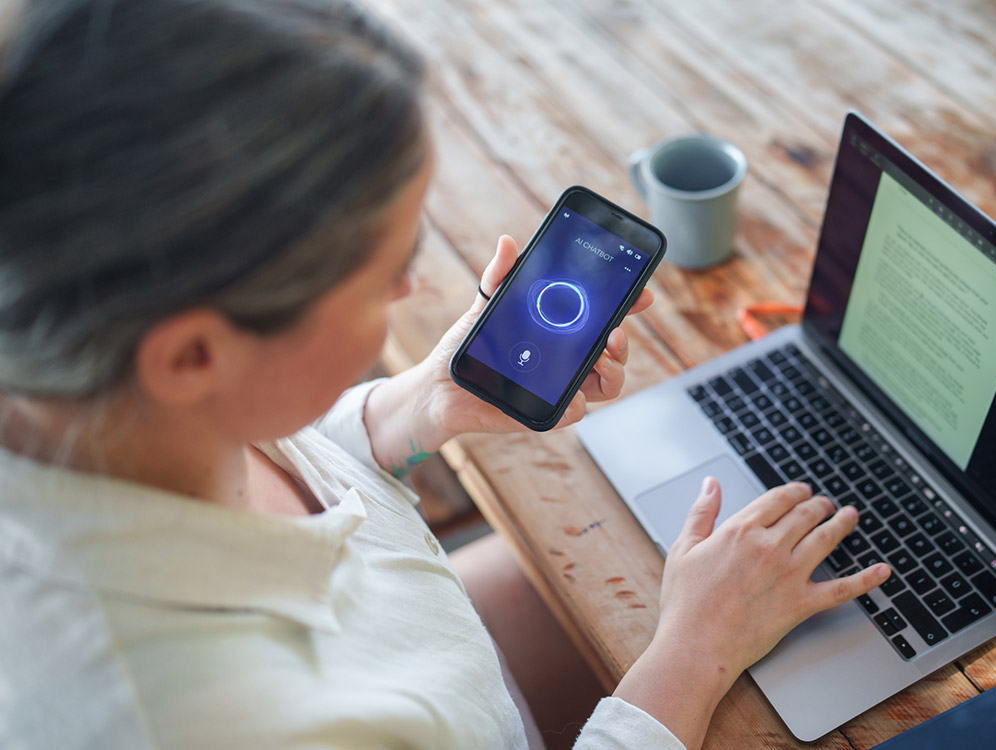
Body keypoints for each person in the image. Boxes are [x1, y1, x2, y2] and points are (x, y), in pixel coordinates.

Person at [0, 1, 891, 748]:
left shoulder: (89, 379)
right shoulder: (229, 721)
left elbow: (276, 444)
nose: (414, 287)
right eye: (386, 273)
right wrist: (697, 648)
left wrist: (414, 409)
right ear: (193, 353)